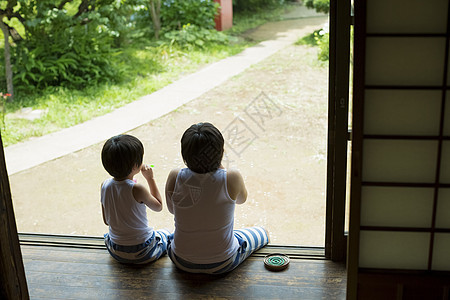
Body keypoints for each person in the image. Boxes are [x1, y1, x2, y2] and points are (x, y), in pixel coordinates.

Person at [165, 122, 269, 274]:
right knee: (263, 232)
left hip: (180, 260)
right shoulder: (231, 177)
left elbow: (172, 210)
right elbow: (242, 199)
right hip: (222, 263)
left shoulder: (176, 176)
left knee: (171, 234)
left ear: (184, 154)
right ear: (221, 152)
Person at [101, 134, 169, 264]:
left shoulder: (104, 185)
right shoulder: (137, 189)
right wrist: (150, 178)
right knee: (165, 233)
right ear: (134, 166)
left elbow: (107, 221)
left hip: (115, 250)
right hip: (142, 251)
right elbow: (158, 206)